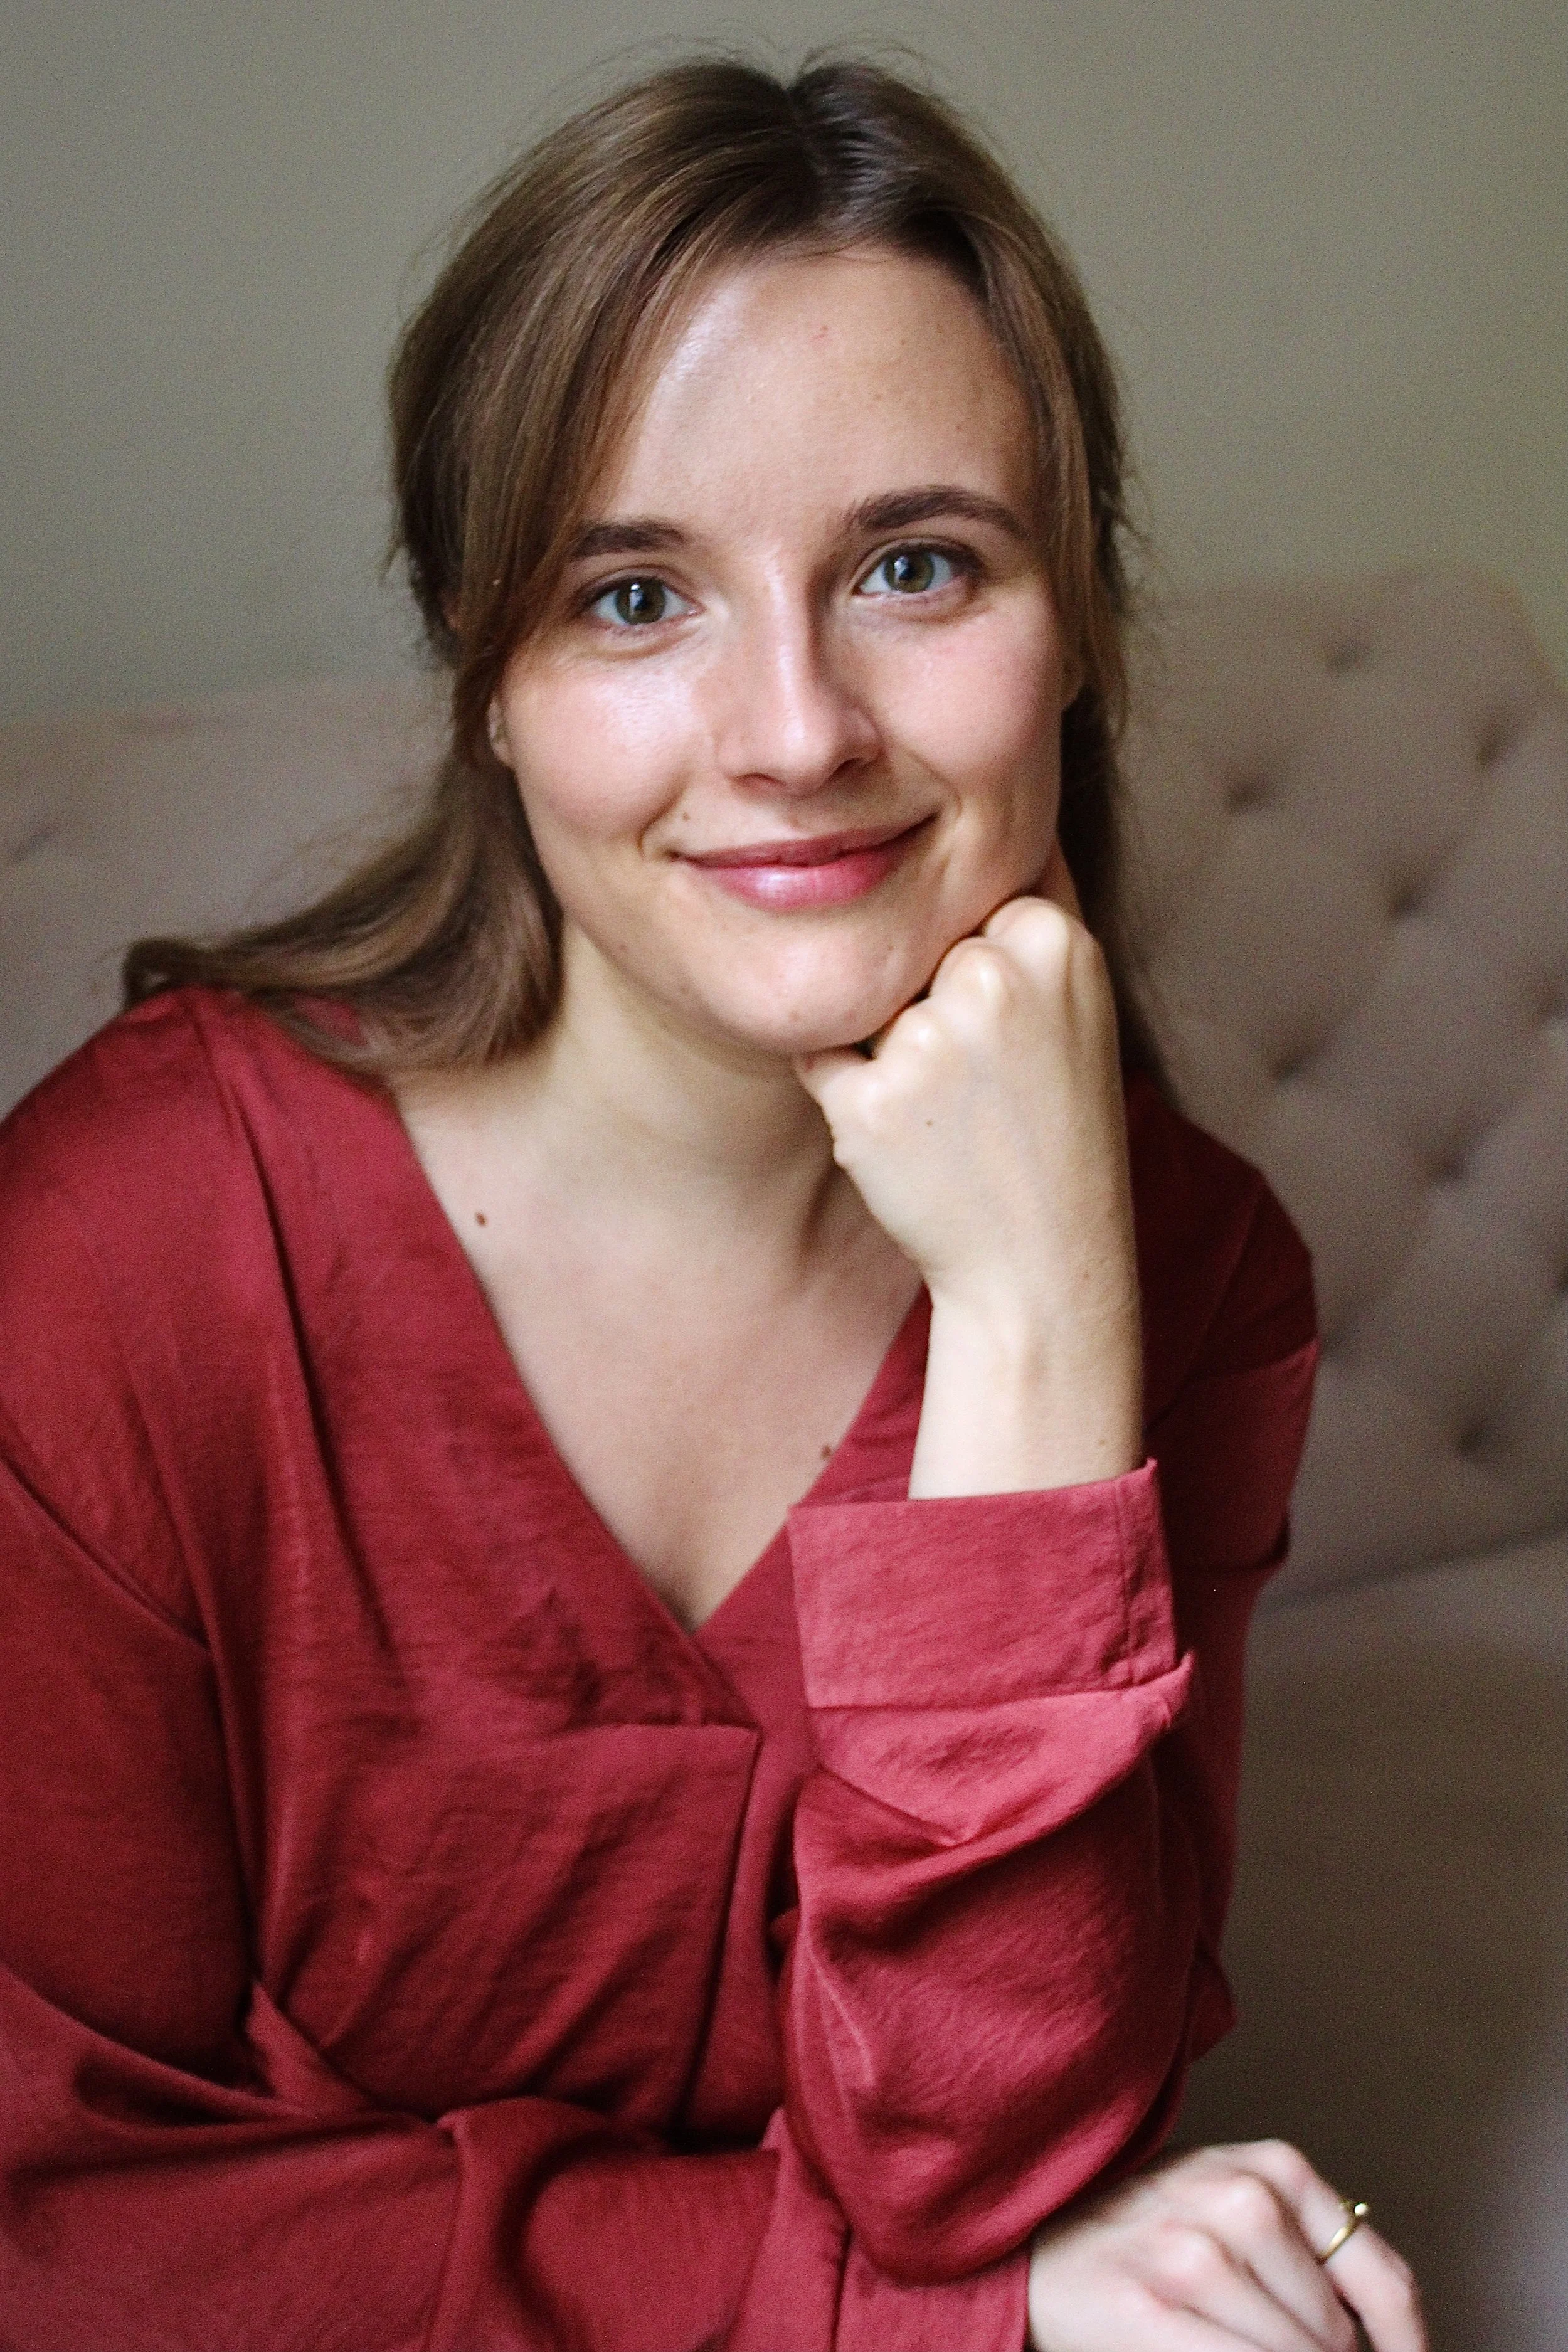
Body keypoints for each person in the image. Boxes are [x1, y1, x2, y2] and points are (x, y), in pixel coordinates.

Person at [0, 55, 1424, 2352]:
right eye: (637, 591)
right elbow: (56, 2231)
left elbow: (994, 2148)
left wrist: (1040, 1320)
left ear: (1074, 627)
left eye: (913, 563)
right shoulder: (114, 1261)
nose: (790, 728)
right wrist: (906, 2315)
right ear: (488, 672)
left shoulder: (1196, 1269)